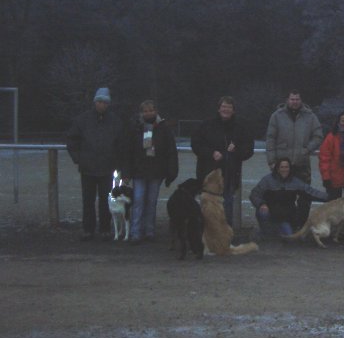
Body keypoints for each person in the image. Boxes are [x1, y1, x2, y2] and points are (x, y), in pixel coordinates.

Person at [66, 87, 126, 241]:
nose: (102, 105)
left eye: (105, 102)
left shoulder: (116, 121)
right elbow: (72, 140)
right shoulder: (82, 120)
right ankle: (88, 229)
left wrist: (117, 163)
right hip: (88, 168)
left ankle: (105, 228)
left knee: (107, 201)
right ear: (95, 102)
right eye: (99, 101)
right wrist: (79, 158)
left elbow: (121, 145)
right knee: (88, 201)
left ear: (108, 104)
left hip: (107, 168)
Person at [191, 96, 255, 225]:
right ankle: (207, 235)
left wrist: (236, 150)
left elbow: (249, 149)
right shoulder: (206, 125)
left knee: (227, 207)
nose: (226, 109)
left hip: (229, 175)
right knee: (208, 207)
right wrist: (211, 153)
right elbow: (196, 145)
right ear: (219, 109)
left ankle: (225, 236)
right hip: (208, 174)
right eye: (223, 107)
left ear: (233, 110)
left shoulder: (241, 127)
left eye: (229, 107)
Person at [265, 90, 323, 225]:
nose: (295, 102)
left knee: (305, 197)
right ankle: (284, 226)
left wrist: (307, 149)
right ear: (287, 100)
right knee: (281, 197)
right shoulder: (276, 116)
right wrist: (271, 161)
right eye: (292, 99)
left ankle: (301, 226)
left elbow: (318, 135)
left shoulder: (310, 116)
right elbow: (270, 139)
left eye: (297, 99)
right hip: (282, 165)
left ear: (301, 100)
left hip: (302, 163)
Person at [125, 100, 178, 244]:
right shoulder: (135, 128)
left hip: (156, 170)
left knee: (151, 202)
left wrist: (171, 171)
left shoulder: (164, 128)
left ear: (155, 111)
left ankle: (149, 231)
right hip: (139, 170)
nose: (148, 113)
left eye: (151, 110)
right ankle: (135, 232)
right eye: (145, 111)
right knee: (138, 201)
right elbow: (128, 150)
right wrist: (127, 172)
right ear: (141, 113)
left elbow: (170, 151)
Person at [249, 157, 328, 237]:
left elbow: (311, 192)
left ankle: (277, 230)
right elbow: (254, 194)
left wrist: (330, 197)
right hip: (270, 213)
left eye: (286, 167)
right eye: (282, 167)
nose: (284, 169)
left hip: (285, 217)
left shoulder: (295, 182)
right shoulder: (267, 180)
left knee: (289, 236)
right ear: (277, 168)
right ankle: (264, 231)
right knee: (263, 214)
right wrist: (262, 204)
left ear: (290, 168)